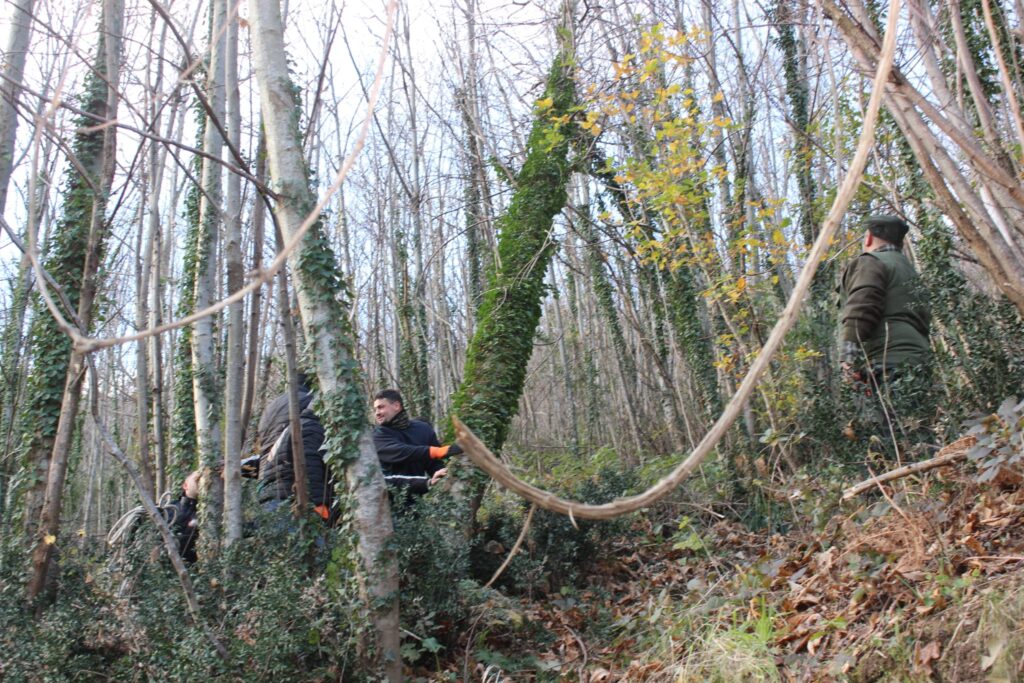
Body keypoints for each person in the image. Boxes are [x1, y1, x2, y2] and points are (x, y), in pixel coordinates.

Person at [838, 214, 933, 451]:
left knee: (889, 438)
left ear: (868, 237)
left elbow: (862, 307)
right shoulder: (908, 270)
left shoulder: (871, 262)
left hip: (886, 362)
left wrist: (848, 357)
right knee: (918, 431)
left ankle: (899, 483)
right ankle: (933, 480)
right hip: (918, 358)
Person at [256, 374, 333, 522]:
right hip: (292, 480)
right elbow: (308, 452)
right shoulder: (307, 403)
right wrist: (318, 501)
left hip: (266, 475)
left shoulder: (271, 406)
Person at [372, 389, 460, 502]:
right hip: (389, 505)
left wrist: (441, 474)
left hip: (417, 503)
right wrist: (437, 451)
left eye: (381, 407)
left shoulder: (422, 428)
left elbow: (433, 463)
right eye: (375, 409)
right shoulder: (377, 436)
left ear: (396, 406)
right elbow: (403, 452)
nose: (377, 413)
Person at [163, 470, 200, 563]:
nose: (200, 481)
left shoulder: (218, 511)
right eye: (196, 480)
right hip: (169, 568)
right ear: (185, 485)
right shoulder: (169, 508)